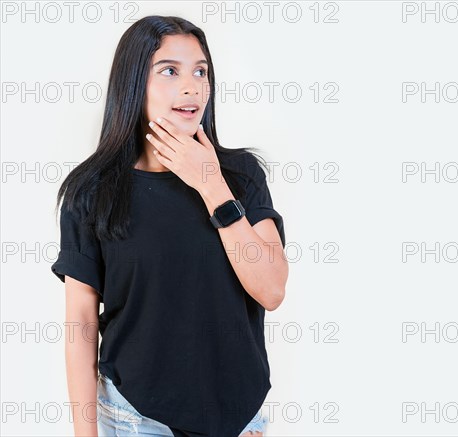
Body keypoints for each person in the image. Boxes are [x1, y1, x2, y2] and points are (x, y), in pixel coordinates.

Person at [51, 15, 288, 437]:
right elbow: (80, 325)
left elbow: (271, 290)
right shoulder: (92, 192)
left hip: (239, 419)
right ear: (133, 84)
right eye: (169, 71)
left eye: (201, 71)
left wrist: (211, 184)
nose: (191, 86)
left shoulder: (242, 176)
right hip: (136, 418)